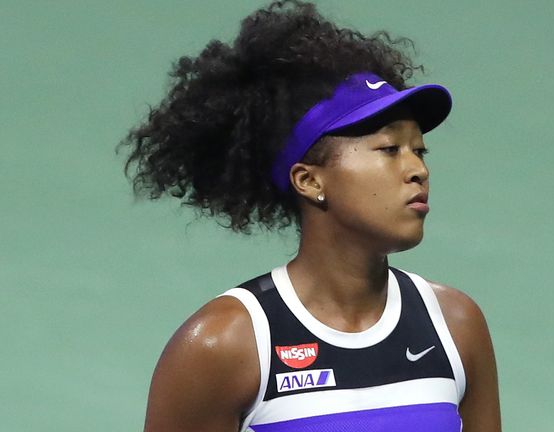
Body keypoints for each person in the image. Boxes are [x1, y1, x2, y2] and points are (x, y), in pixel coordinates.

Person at [120, 1, 500, 431]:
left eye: (420, 150)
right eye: (390, 149)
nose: (418, 169)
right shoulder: (225, 344)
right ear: (309, 180)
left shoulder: (455, 324)